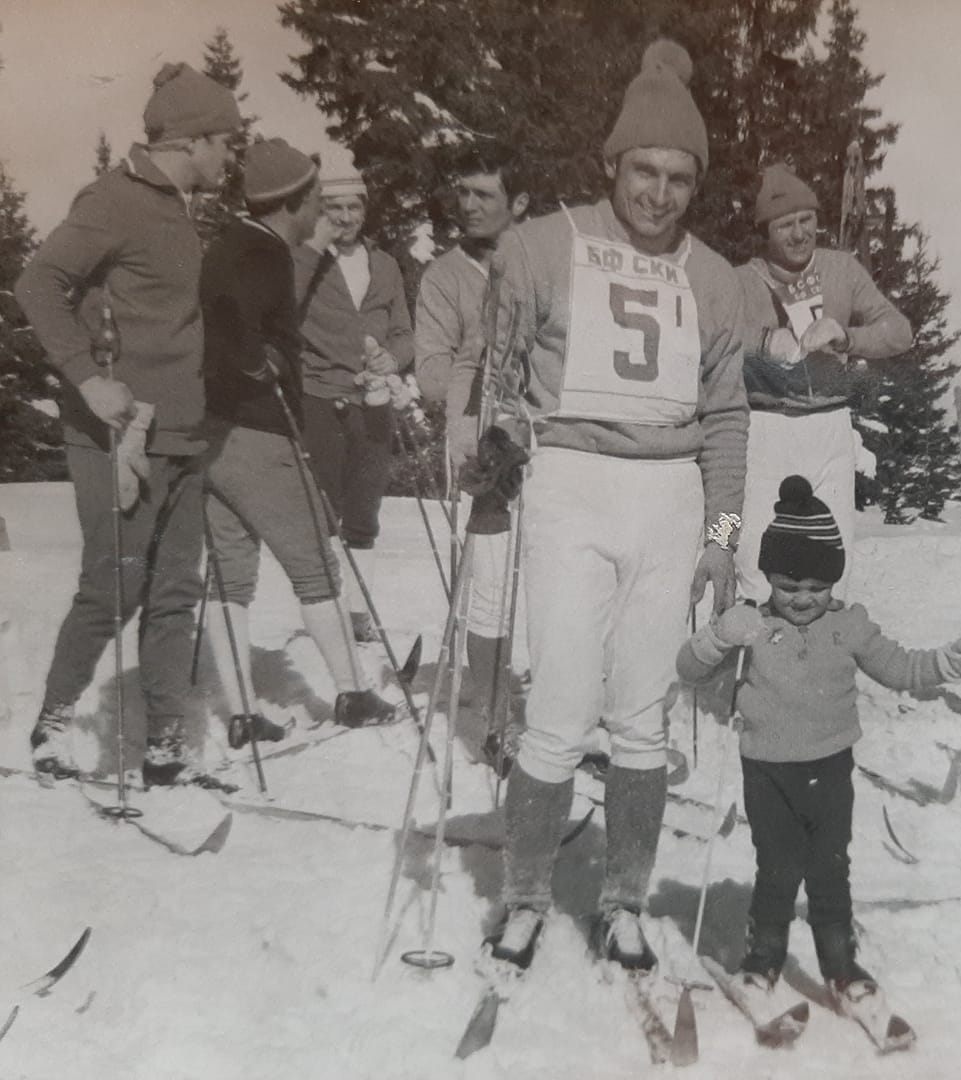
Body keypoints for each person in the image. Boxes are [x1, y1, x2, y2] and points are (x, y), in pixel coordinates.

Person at [479, 40, 748, 972]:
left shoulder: (715, 278)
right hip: (573, 483)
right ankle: (522, 897)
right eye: (644, 171)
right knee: (556, 706)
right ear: (612, 164)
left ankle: (625, 900)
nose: (659, 193)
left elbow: (728, 419)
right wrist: (496, 436)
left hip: (672, 499)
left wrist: (721, 537)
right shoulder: (541, 243)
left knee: (643, 714)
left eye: (680, 177)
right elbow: (498, 379)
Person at [677, 475, 961, 1005]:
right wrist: (717, 635)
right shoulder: (753, 620)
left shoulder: (850, 627)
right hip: (768, 770)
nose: (803, 599)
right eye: (789, 585)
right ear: (770, 576)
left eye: (817, 588)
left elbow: (902, 668)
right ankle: (764, 958)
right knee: (776, 867)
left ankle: (840, 964)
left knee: (829, 867)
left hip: (830, 769)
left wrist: (954, 659)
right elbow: (690, 669)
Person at [17, 62, 241, 784]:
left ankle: (167, 748)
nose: (230, 157)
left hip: (184, 428)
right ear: (193, 141)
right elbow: (38, 282)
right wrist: (87, 378)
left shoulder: (184, 209)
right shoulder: (114, 200)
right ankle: (51, 727)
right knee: (114, 584)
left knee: (176, 590)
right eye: (225, 143)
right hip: (120, 432)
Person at [199, 138, 396, 743]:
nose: (323, 207)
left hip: (215, 436)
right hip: (258, 435)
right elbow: (232, 318)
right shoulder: (266, 253)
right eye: (315, 195)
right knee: (316, 564)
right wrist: (257, 365)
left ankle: (240, 712)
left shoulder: (234, 242)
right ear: (292, 201)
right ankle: (353, 693)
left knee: (231, 573)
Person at [733, 164, 913, 602]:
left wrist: (848, 335)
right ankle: (753, 650)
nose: (799, 234)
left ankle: (827, 656)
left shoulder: (842, 269)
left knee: (835, 554)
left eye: (806, 220)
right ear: (765, 231)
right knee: (746, 546)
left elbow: (900, 331)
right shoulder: (740, 279)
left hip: (830, 425)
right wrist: (760, 342)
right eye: (785, 225)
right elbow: (705, 339)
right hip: (763, 426)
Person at [413, 142, 530, 764]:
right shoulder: (443, 276)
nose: (469, 205)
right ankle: (493, 719)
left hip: (552, 443)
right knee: (490, 584)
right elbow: (430, 371)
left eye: (485, 194)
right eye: (463, 193)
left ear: (520, 204)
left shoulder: (542, 264)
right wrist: (478, 361)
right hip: (484, 447)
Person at [292, 150, 415, 644]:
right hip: (319, 395)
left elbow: (406, 332)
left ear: (366, 210)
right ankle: (325, 616)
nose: (344, 217)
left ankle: (358, 616)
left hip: (375, 401)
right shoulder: (305, 260)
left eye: (353, 207)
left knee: (364, 508)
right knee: (322, 509)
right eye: (334, 207)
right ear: (320, 209)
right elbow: (281, 311)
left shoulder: (383, 264)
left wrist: (393, 358)